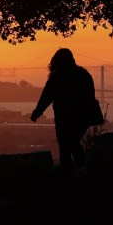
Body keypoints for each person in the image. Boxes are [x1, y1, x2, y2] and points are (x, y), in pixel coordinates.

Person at [30, 48, 100, 179]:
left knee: (65, 148)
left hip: (64, 119)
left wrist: (37, 113)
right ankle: (81, 171)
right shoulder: (84, 74)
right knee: (73, 143)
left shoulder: (56, 77)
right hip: (82, 118)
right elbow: (90, 96)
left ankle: (69, 177)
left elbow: (46, 97)